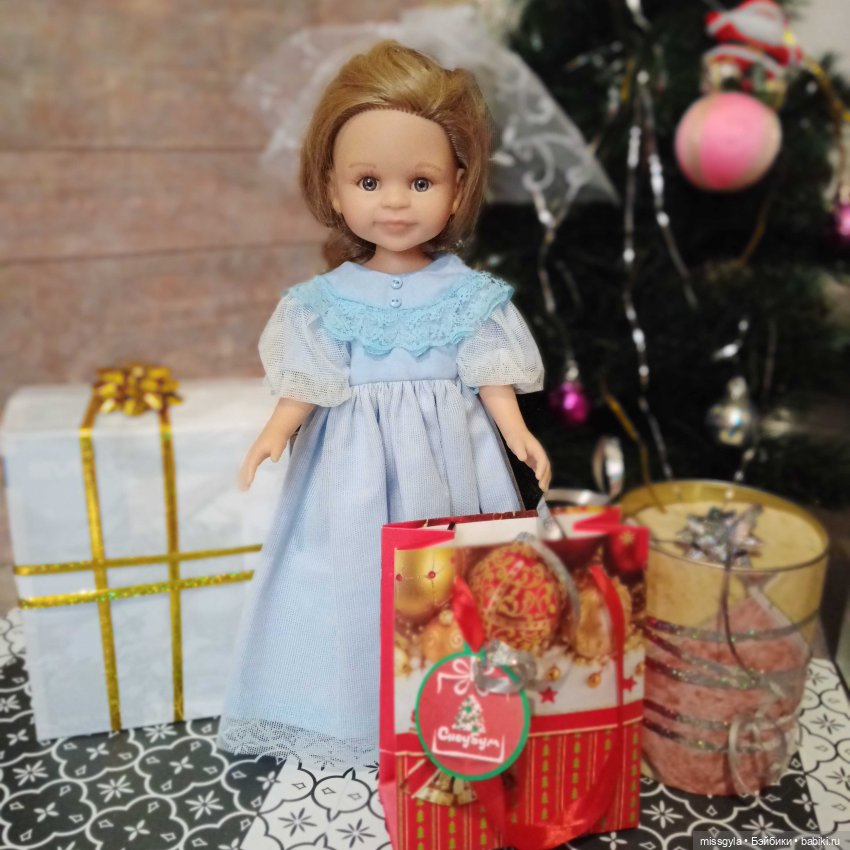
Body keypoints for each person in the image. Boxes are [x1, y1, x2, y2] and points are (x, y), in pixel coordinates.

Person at [217, 40, 550, 770]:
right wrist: (277, 430)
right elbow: (309, 380)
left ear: (457, 190)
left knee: (454, 582)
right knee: (349, 578)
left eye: (420, 181)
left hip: (449, 466)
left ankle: (459, 704)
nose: (394, 201)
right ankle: (355, 709)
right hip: (352, 468)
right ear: (333, 190)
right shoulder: (324, 300)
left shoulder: (468, 295)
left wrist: (517, 432)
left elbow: (489, 372)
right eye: (369, 181)